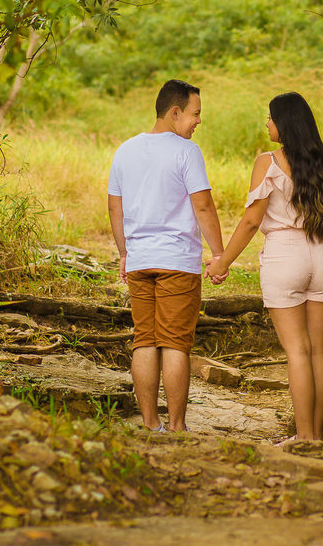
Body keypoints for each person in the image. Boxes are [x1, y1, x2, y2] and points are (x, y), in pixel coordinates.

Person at [206, 92, 323, 443]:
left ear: (284, 123)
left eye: (270, 117)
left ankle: (303, 438)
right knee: (318, 349)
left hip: (287, 256)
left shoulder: (267, 161)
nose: (266, 123)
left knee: (297, 351)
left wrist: (222, 261)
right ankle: (315, 436)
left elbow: (252, 221)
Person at [108, 79, 225, 433]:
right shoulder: (186, 151)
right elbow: (202, 205)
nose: (198, 122)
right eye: (195, 113)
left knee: (144, 340)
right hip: (176, 262)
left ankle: (149, 424)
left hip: (141, 261)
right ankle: (176, 427)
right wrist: (219, 253)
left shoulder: (125, 150)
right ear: (174, 112)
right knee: (175, 344)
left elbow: (115, 207)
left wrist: (125, 252)